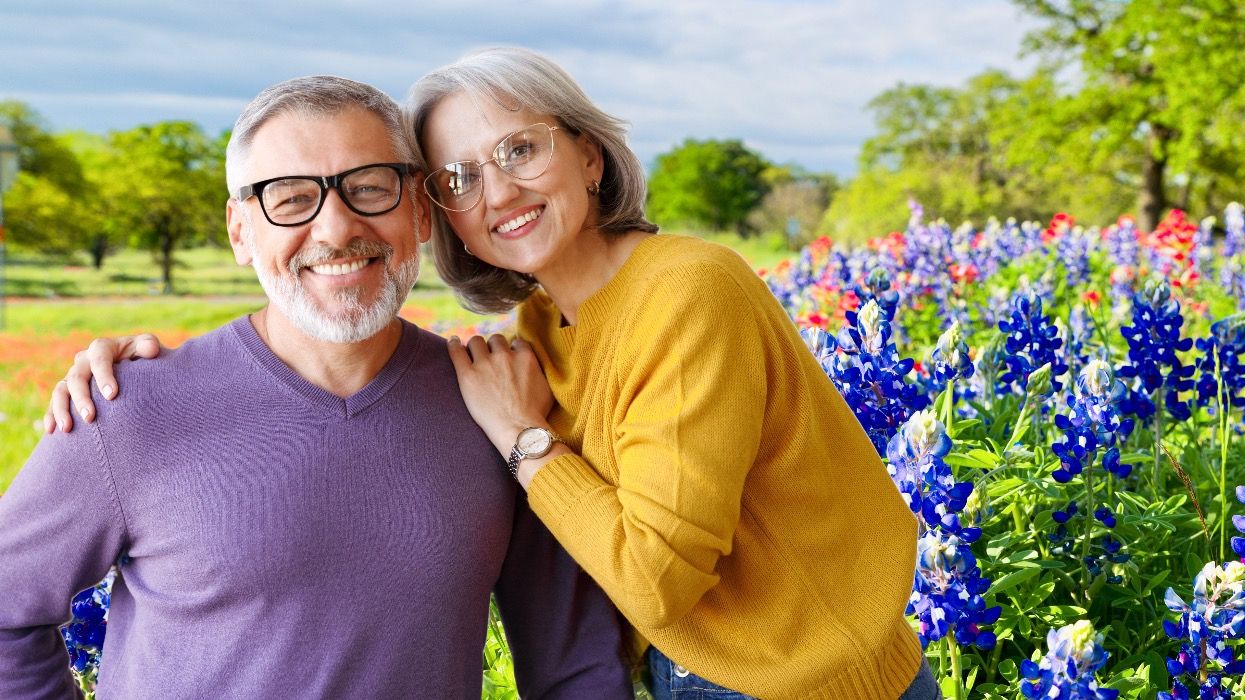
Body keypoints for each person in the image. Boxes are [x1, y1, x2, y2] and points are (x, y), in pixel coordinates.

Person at [49, 49, 939, 699]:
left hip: (804, 678)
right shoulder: (535, 334)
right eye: (460, 177)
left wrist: (525, 441)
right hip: (696, 669)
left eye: (520, 150)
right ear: (444, 216)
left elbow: (652, 585)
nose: (499, 192)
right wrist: (165, 383)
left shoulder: (685, 291)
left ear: (589, 154)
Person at [8, 75, 632, 699]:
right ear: (239, 231)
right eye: (289, 198)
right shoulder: (129, 409)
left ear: (420, 211)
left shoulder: (499, 406)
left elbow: (576, 666)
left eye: (369, 188)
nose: (336, 230)